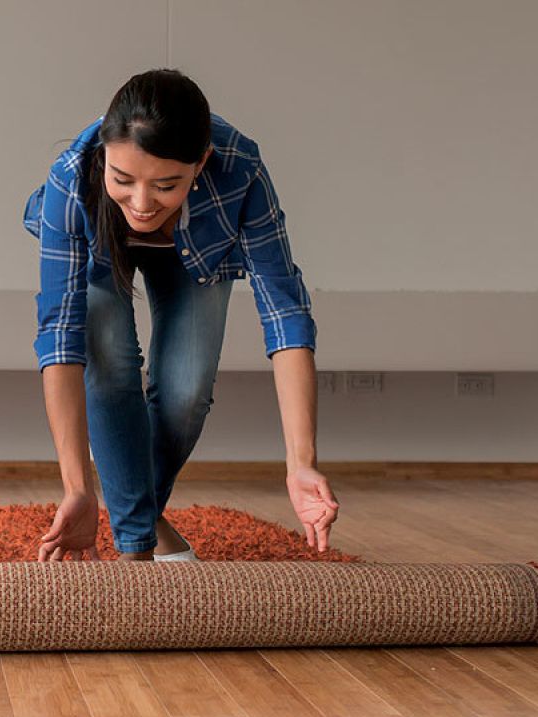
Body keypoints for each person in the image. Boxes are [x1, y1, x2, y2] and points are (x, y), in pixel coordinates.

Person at [24, 70, 338, 562]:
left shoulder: (240, 169)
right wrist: (77, 488)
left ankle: (131, 500)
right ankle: (137, 547)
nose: (143, 204)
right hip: (98, 249)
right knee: (110, 364)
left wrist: (301, 462)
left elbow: (285, 313)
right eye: (122, 180)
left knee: (187, 392)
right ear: (105, 158)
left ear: (201, 164)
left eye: (166, 185)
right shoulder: (72, 174)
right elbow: (60, 337)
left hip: (196, 254)